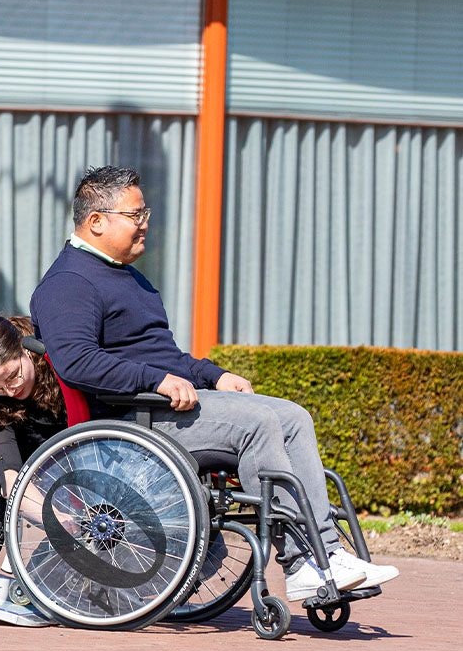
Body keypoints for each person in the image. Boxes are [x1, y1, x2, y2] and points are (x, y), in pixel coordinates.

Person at [30, 165, 399, 603]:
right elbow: (78, 363)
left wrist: (213, 375)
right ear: (96, 221)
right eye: (136, 213)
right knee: (257, 422)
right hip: (131, 422)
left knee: (292, 417)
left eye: (145, 210)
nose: (146, 221)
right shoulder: (69, 283)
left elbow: (164, 355)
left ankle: (328, 555)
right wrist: (159, 381)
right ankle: (302, 563)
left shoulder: (127, 278)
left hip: (161, 407)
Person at [0, 315, 67, 500]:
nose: (9, 391)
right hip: (43, 495)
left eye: (12, 376)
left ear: (25, 349)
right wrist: (58, 521)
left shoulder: (60, 356)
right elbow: (8, 479)